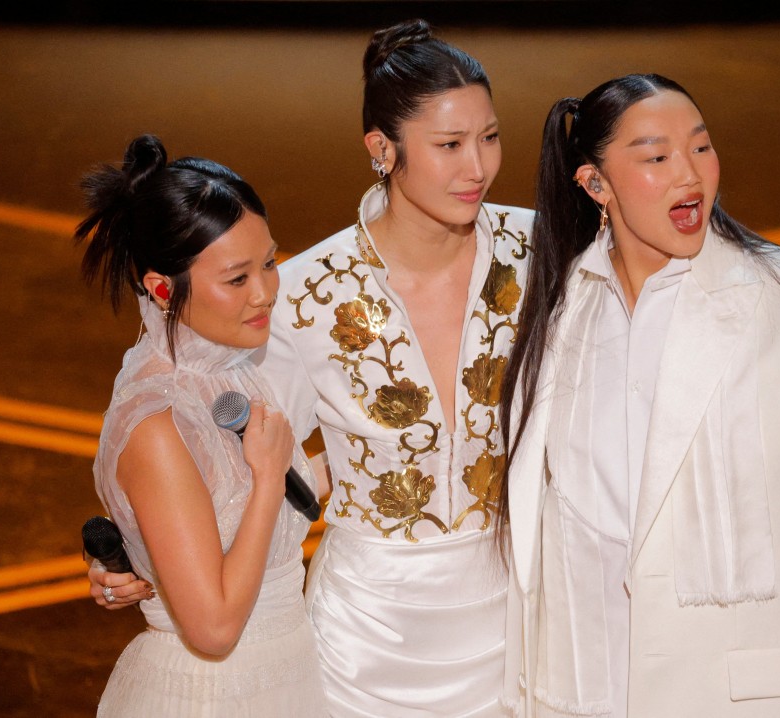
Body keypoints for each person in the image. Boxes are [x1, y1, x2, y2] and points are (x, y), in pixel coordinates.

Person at [91, 20, 534, 716]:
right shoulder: (301, 293)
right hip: (364, 642)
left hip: (519, 616)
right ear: (382, 149)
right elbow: (211, 450)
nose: (477, 167)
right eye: (449, 145)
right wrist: (136, 553)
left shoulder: (541, 254)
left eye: (490, 136)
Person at [498, 74, 780, 717]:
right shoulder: (560, 303)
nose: (688, 175)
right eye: (656, 158)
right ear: (595, 185)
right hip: (587, 681)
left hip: (733, 690)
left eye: (700, 147)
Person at [77, 134, 326, 716]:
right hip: (212, 693)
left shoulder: (227, 367)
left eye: (269, 262)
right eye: (237, 279)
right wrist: (269, 479)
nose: (266, 292)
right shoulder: (156, 423)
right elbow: (214, 628)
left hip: (283, 671)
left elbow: (246, 505)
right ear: (163, 289)